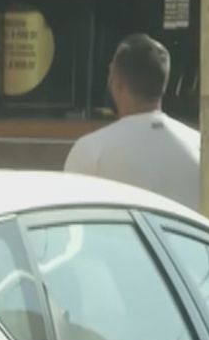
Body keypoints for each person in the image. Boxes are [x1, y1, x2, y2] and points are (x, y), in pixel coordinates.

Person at [64, 34, 200, 212]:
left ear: (117, 83)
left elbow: (68, 223)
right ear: (163, 84)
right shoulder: (200, 146)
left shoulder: (91, 150)